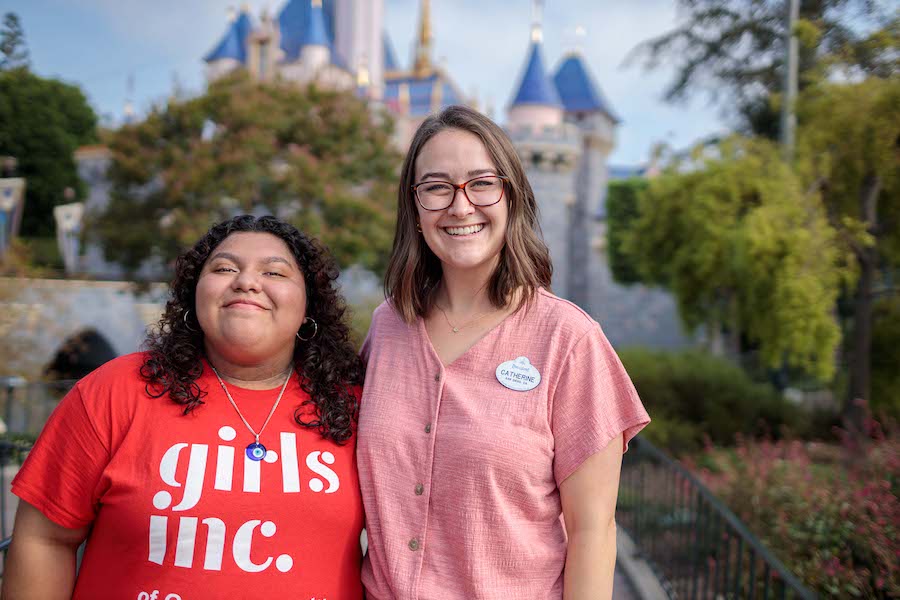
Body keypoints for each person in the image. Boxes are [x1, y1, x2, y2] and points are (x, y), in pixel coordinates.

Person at [357, 105, 650, 599]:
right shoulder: (387, 328)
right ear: (415, 206)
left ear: (511, 195)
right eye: (436, 187)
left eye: (481, 183)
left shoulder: (568, 339)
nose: (460, 205)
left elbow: (592, 531)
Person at [3, 215, 365, 599]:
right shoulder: (115, 392)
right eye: (224, 268)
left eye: (275, 273)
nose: (246, 281)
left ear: (309, 307)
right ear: (195, 294)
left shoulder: (357, 407)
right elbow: (44, 539)